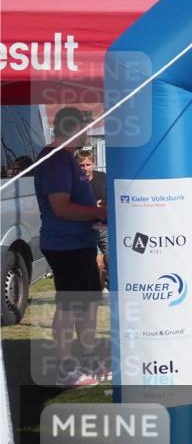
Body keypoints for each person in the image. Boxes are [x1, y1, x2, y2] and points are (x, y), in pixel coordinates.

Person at [34, 107, 108, 386]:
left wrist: (95, 215)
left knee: (88, 304)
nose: (88, 132)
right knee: (69, 306)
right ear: (73, 128)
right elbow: (61, 207)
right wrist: (99, 214)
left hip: (81, 243)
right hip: (65, 246)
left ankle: (88, 360)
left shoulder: (67, 158)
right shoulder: (55, 160)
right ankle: (64, 367)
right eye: (85, 127)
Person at [74, 149, 108, 293]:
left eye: (88, 165)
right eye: (81, 165)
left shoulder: (103, 178)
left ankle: (112, 286)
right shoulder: (73, 182)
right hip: (85, 228)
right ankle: (101, 291)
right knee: (98, 262)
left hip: (103, 225)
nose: (85, 168)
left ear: (93, 164)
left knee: (110, 259)